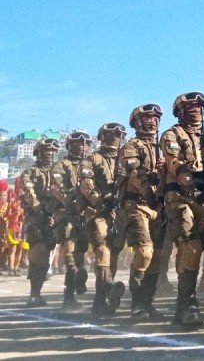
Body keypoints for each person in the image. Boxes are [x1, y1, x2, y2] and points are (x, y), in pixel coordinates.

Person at [160, 91, 204, 327]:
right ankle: (186, 303)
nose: (196, 110)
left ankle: (186, 300)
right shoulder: (171, 135)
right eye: (190, 106)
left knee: (199, 249)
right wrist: (193, 189)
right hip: (182, 198)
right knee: (190, 246)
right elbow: (175, 164)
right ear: (179, 112)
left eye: (200, 106)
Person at [118, 104, 167, 321]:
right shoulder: (131, 146)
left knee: (157, 258)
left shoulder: (164, 145)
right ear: (136, 122)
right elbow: (135, 174)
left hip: (160, 205)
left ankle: (148, 302)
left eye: (155, 118)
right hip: (138, 205)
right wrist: (150, 195)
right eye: (146, 118)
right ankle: (137, 303)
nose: (151, 121)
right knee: (145, 252)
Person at [80, 122, 129, 315]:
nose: (114, 137)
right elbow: (85, 183)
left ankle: (100, 300)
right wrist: (100, 203)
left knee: (114, 254)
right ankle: (108, 286)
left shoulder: (126, 159)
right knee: (102, 251)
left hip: (119, 212)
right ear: (101, 137)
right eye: (109, 134)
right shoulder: (92, 159)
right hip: (97, 212)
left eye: (118, 135)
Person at [50, 131, 93, 310]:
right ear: (68, 146)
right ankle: (72, 284)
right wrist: (72, 200)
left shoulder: (90, 165)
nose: (80, 147)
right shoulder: (61, 165)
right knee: (69, 249)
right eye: (75, 144)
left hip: (84, 215)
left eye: (83, 144)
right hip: (66, 213)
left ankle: (74, 286)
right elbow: (57, 187)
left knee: (80, 254)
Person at [20, 138, 61, 306]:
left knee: (47, 255)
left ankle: (66, 294)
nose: (49, 153)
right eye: (45, 150)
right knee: (39, 251)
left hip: (53, 218)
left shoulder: (58, 172)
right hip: (36, 218)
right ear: (38, 152)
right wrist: (41, 210)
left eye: (52, 150)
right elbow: (29, 193)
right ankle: (34, 293)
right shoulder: (30, 173)